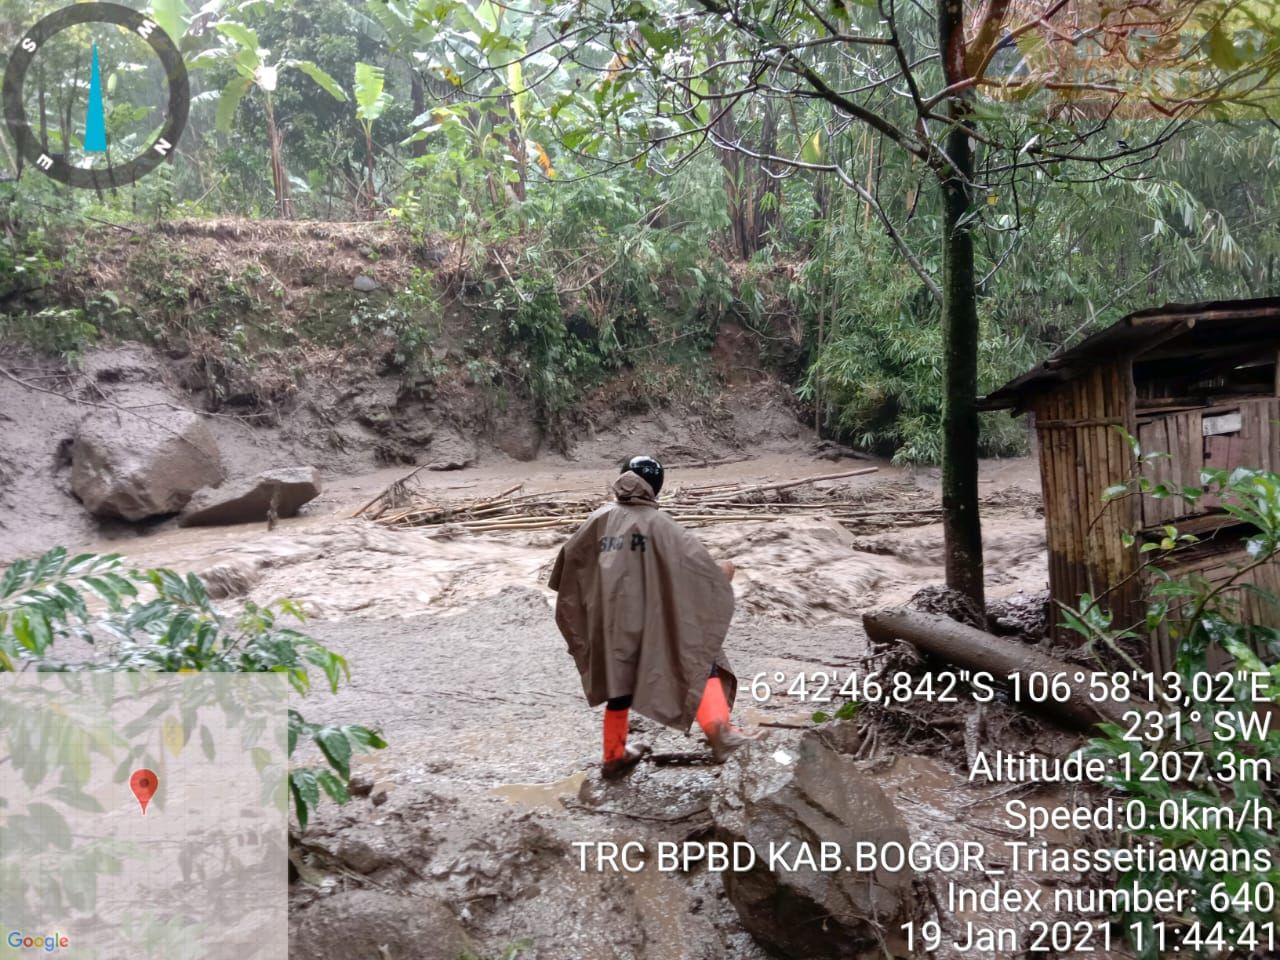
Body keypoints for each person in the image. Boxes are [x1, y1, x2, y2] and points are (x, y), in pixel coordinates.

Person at [548, 455, 758, 779]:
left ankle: (614, 754)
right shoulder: (662, 526)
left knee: (619, 687)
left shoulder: (597, 519)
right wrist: (725, 571)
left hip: (608, 625)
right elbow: (703, 573)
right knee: (703, 659)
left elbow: (566, 572)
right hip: (650, 624)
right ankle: (721, 734)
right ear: (656, 489)